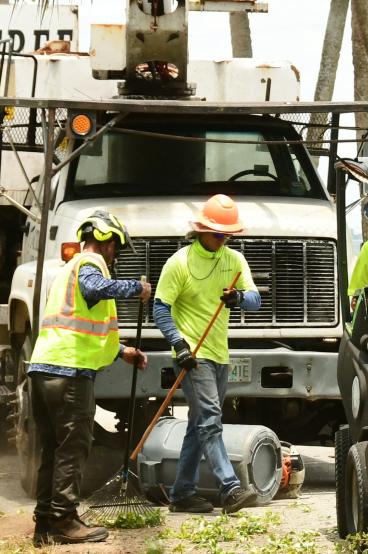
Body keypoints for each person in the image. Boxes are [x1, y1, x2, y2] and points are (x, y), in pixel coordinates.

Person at [29, 210, 150, 546]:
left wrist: (122, 352)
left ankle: (45, 522)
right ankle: (65, 521)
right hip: (69, 374)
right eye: (115, 247)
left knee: (54, 450)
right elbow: (95, 289)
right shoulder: (89, 264)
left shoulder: (65, 271)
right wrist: (136, 287)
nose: (115, 254)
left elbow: (78, 327)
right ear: (107, 241)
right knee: (73, 448)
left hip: (44, 368)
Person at [152, 194, 261, 514]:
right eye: (217, 233)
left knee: (199, 423)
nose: (223, 239)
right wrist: (178, 343)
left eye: (228, 234)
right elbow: (161, 310)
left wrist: (238, 297)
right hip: (192, 355)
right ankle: (230, 487)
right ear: (200, 229)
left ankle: (182, 492)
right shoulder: (180, 262)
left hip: (219, 355)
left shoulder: (234, 261)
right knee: (211, 420)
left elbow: (256, 300)